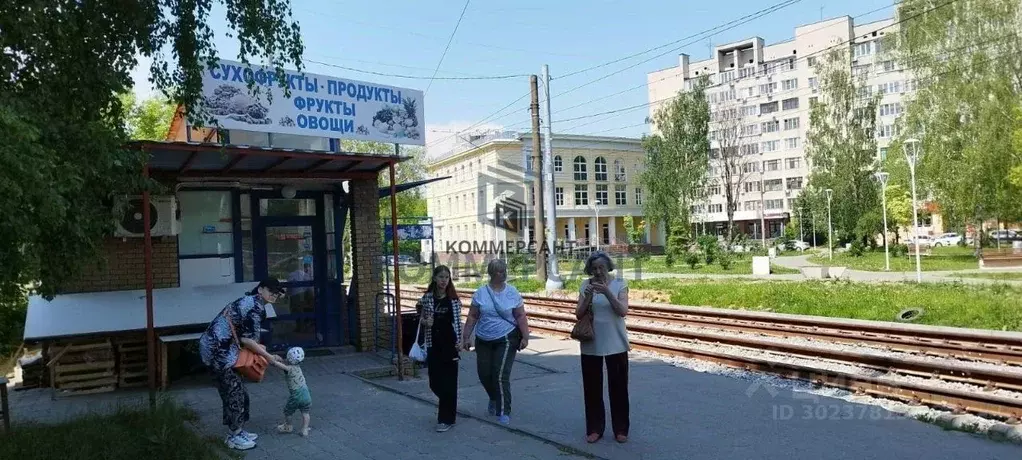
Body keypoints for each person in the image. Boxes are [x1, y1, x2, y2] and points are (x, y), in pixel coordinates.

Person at [199, 278, 287, 451]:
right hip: (219, 352)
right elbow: (247, 340)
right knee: (234, 392)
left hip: (224, 350)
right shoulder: (253, 307)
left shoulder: (252, 302)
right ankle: (234, 435)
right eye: (271, 291)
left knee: (237, 390)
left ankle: (238, 430)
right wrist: (269, 357)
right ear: (260, 289)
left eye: (277, 292)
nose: (274, 295)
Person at [461, 258, 530, 425]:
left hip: (506, 337)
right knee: (484, 374)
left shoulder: (512, 292)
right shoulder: (481, 293)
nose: (503, 273)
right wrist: (466, 337)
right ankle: (493, 397)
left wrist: (525, 336)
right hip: (483, 339)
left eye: (504, 270)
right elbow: (472, 316)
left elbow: (520, 315)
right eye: (499, 271)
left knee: (500, 375)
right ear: (491, 274)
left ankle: (504, 410)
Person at [575, 251, 631, 444]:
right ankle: (594, 428)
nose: (598, 272)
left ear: (608, 267)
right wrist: (589, 296)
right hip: (591, 342)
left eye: (601, 267)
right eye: (594, 268)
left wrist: (607, 292)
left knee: (619, 388)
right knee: (592, 388)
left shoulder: (619, 284)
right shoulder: (585, 285)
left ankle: (621, 429)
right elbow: (578, 313)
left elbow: (623, 311)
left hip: (616, 342)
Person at [415, 265, 463, 432]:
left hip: (450, 345)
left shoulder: (454, 300)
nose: (444, 280)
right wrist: (424, 321)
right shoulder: (427, 298)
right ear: (435, 278)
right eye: (441, 277)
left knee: (450, 382)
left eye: (447, 278)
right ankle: (449, 406)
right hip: (433, 344)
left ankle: (446, 419)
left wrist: (460, 342)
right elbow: (419, 312)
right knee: (434, 382)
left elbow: (457, 323)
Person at [272, 347, 312, 437]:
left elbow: (278, 365)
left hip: (296, 396)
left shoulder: (289, 369)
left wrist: (273, 360)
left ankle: (288, 426)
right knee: (305, 413)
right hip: (306, 394)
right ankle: (305, 429)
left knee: (288, 412)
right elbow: (285, 365)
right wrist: (281, 360)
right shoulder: (298, 367)